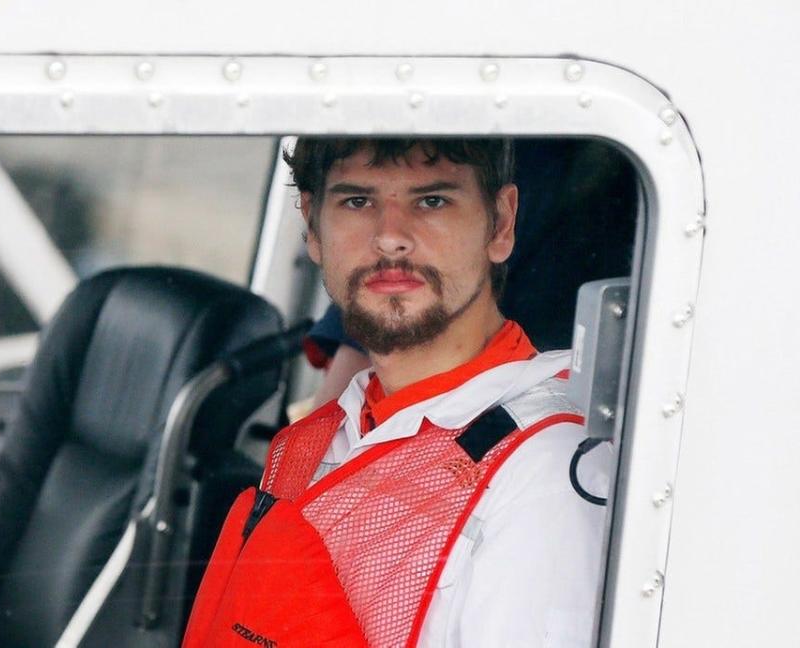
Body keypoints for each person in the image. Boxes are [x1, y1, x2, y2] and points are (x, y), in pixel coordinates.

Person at [183, 138, 611, 647]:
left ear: (500, 224)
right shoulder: (319, 436)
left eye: (431, 201)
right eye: (357, 202)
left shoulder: (545, 474)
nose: (390, 238)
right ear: (312, 225)